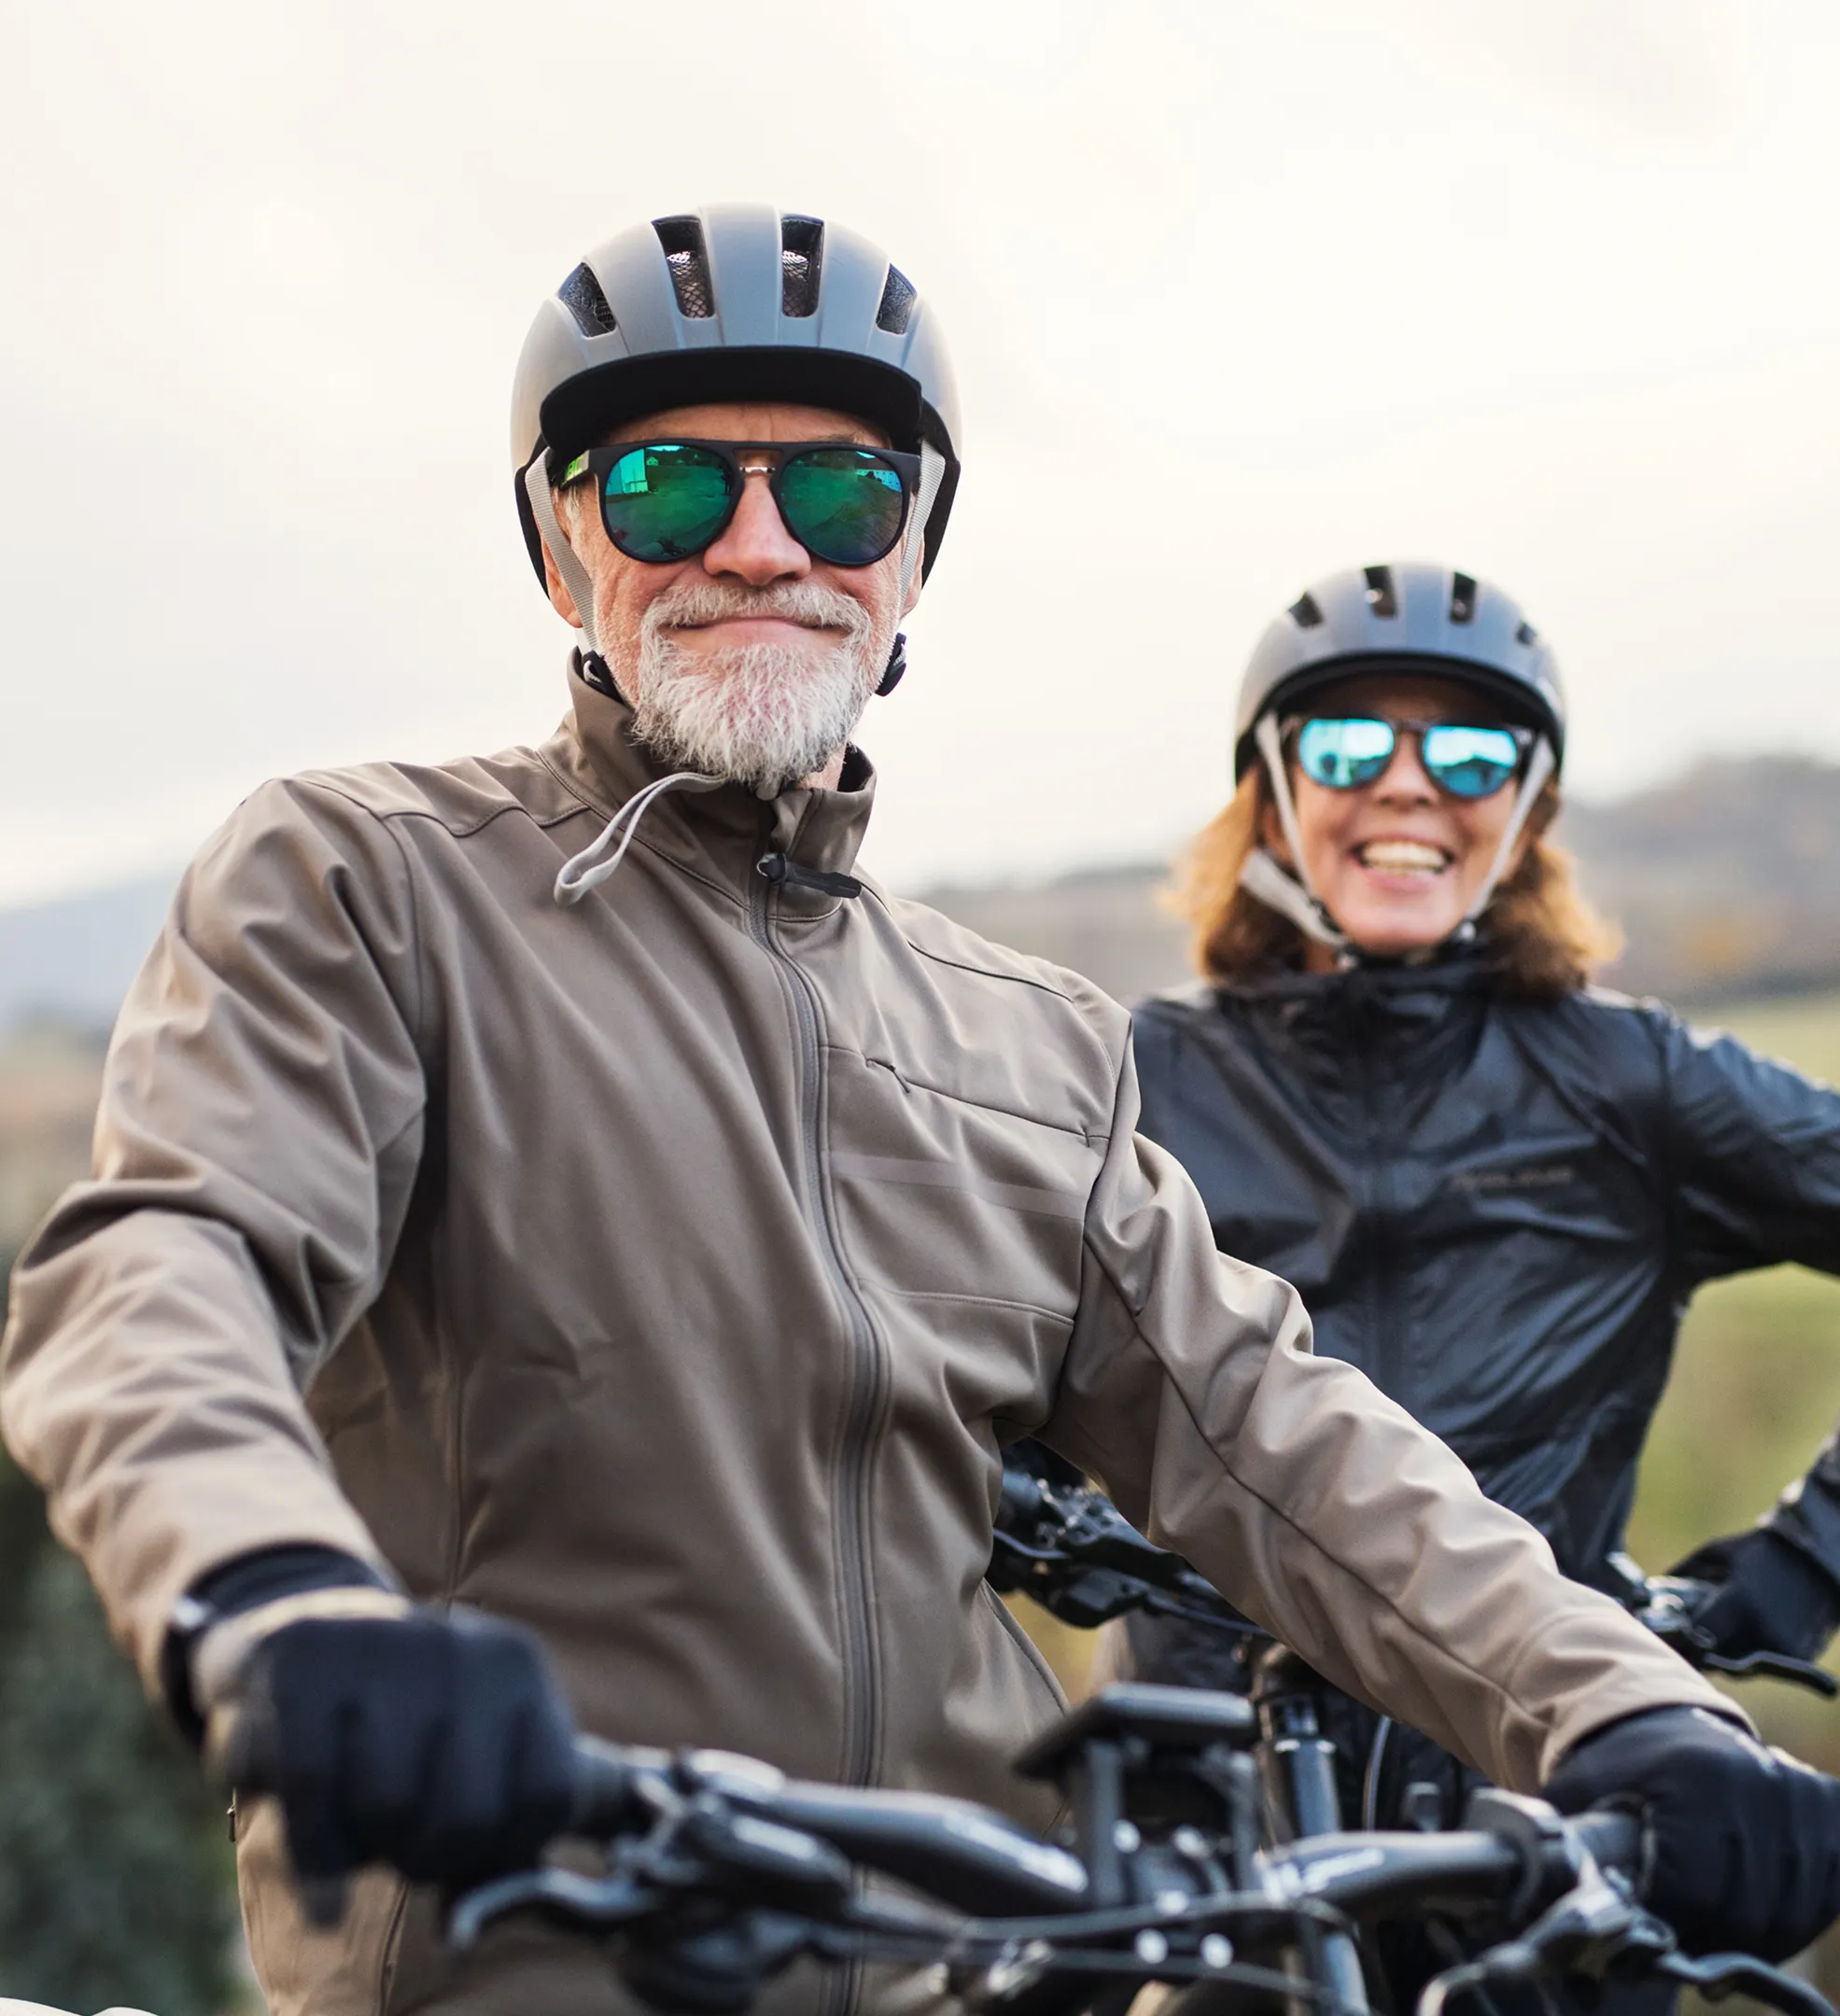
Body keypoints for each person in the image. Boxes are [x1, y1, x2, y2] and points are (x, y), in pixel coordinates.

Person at [1, 218, 1833, 2016]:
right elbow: (169, 1263)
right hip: (530, 1952)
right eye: (657, 490)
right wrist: (275, 1595)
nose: (755, 546)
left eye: (844, 500)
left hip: (1007, 1959)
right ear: (563, 558)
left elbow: (1273, 1436)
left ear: (910, 573)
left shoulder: (1023, 1036)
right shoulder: (369, 887)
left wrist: (1619, 1702)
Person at [1117, 557, 1840, 1814]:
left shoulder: (1633, 1082)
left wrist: (1799, 1570)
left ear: (1524, 811)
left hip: (1553, 1799)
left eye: (1470, 754)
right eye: (1345, 745)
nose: (1407, 783)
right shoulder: (1126, 1080)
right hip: (1198, 1793)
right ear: (1274, 793)